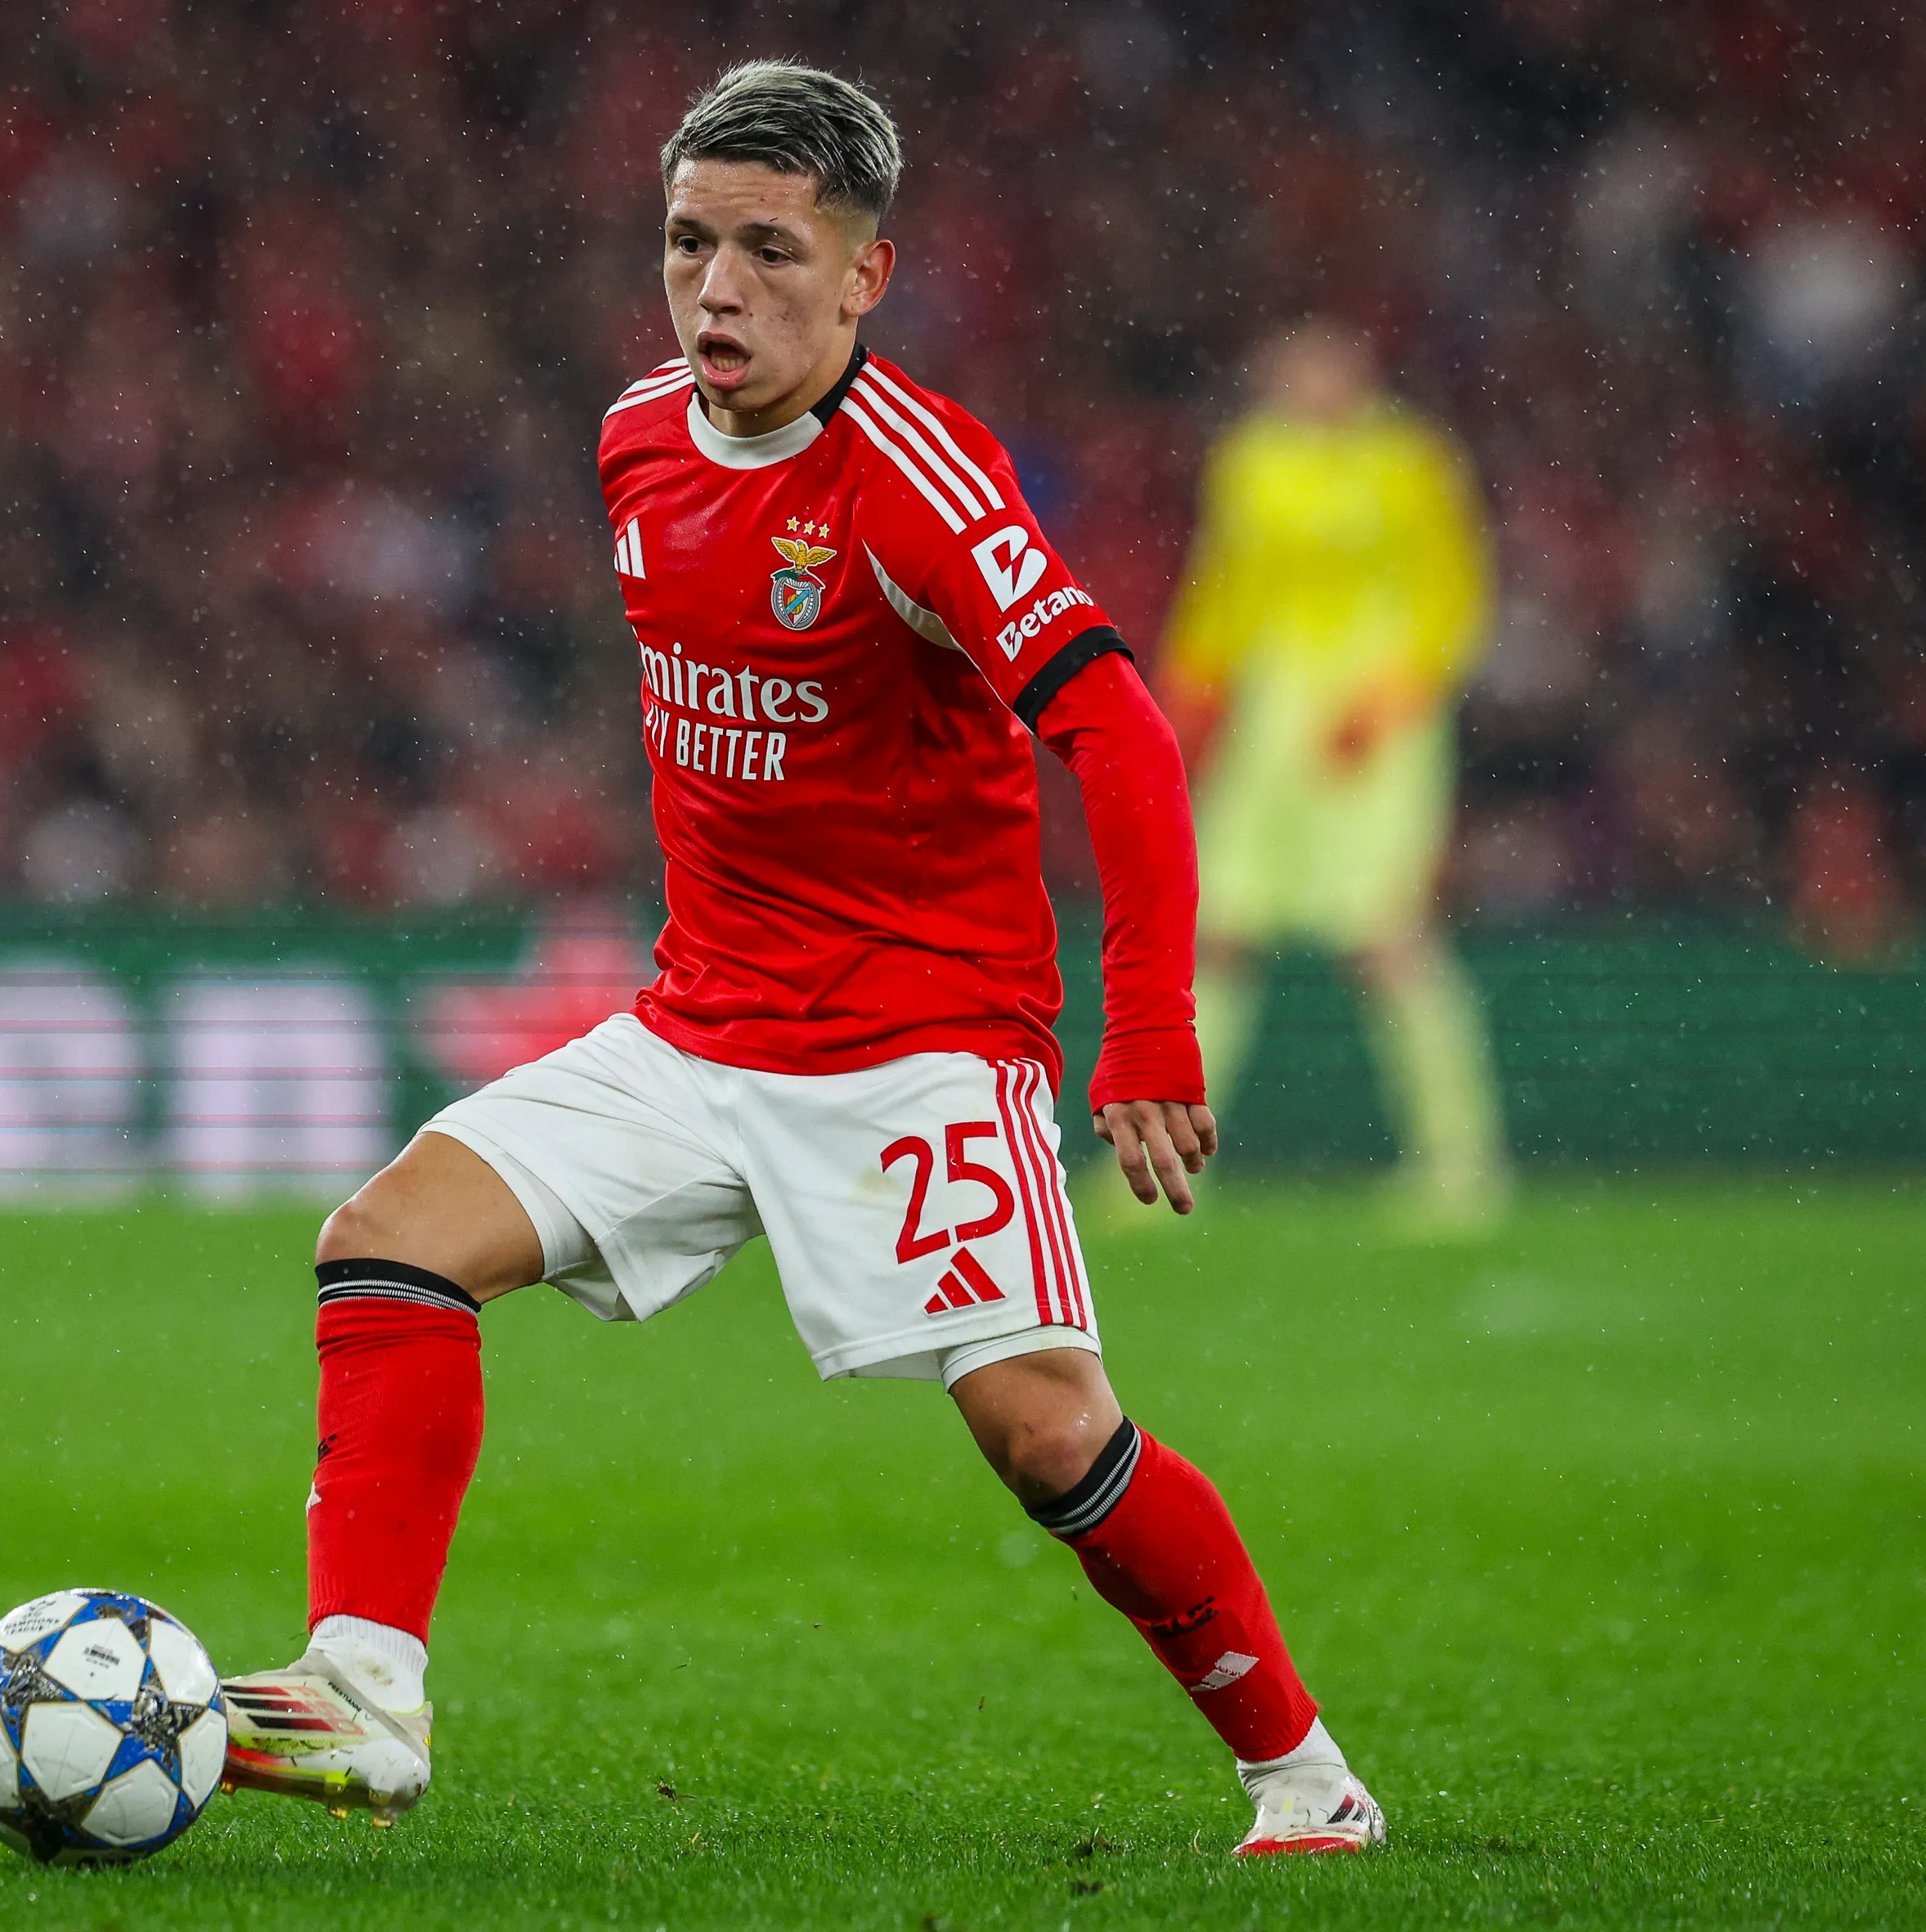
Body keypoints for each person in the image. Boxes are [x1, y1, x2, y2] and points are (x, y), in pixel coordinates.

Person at [214, 63, 1385, 1858]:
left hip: (918, 1041)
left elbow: (1123, 734)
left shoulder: (918, 481)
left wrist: (1147, 1028)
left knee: (1044, 1432)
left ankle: (1303, 1776)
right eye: (687, 242)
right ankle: (364, 1691)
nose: (716, 287)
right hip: (699, 1028)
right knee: (385, 1241)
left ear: (863, 276)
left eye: (769, 250)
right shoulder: (634, 436)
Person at [1164, 323, 1511, 1228]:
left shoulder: (1411, 462)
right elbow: (1224, 584)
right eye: (1292, 373)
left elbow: (1455, 593)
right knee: (1218, 930)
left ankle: (1459, 1164)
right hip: (1271, 708)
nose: (1308, 388)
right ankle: (1166, 1162)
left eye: (1324, 371)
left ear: (1363, 377)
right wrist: (1189, 687)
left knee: (1386, 938)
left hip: (1377, 714)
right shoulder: (1250, 460)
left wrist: (1395, 697)